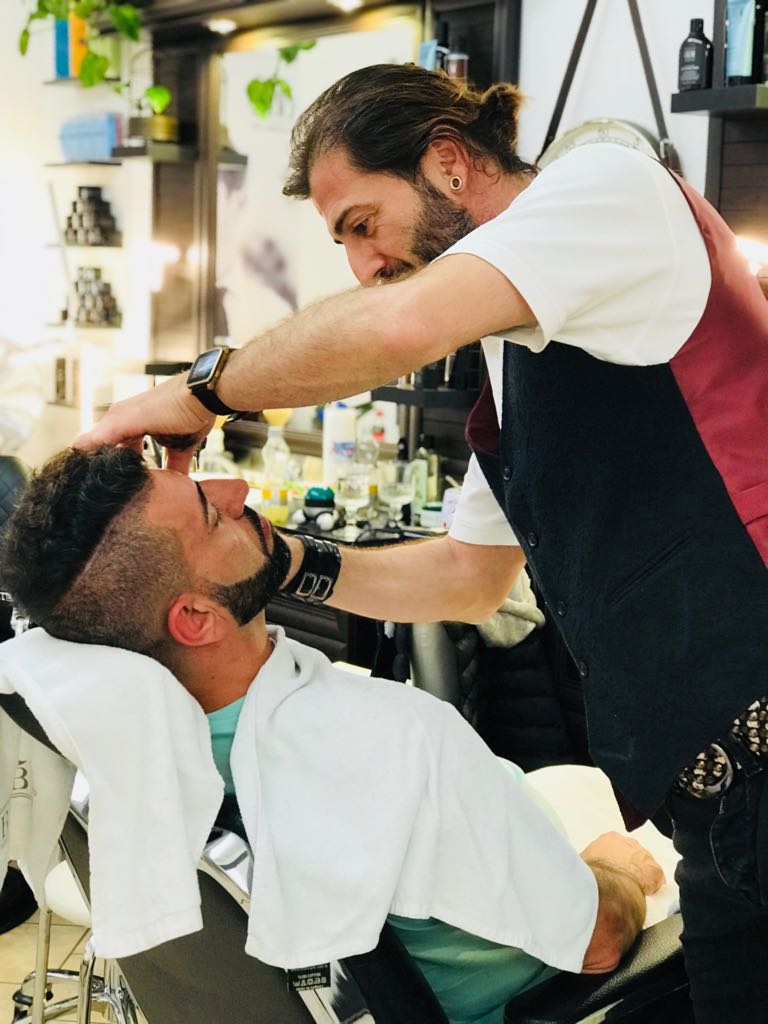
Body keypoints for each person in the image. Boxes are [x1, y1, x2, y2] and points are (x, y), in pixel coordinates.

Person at [73, 64, 768, 1021]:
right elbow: (468, 579)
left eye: (364, 224)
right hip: (705, 774)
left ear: (448, 162)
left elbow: (398, 328)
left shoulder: (609, 190)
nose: (363, 266)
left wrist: (196, 392)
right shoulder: (513, 360)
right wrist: (286, 564)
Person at [0, 445, 665, 1024]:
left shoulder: (118, 747)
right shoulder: (402, 743)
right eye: (210, 513)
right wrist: (614, 870)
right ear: (196, 618)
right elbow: (597, 941)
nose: (237, 490)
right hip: (534, 978)